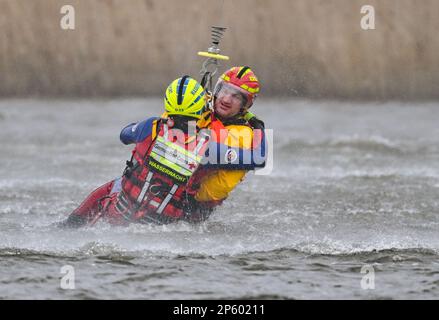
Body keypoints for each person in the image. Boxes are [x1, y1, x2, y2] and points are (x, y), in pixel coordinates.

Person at [61, 66, 266, 228]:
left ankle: (68, 227)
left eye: (236, 96)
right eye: (224, 91)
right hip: (173, 206)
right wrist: (259, 128)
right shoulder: (209, 149)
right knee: (119, 186)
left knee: (114, 187)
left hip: (175, 202)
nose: (226, 99)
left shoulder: (150, 126)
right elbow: (258, 158)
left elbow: (124, 134)